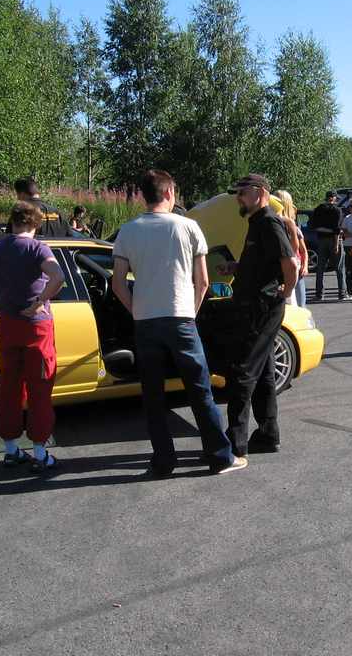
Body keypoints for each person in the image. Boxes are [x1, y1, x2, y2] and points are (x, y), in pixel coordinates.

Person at [109, 170, 245, 477]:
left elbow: (117, 284)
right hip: (181, 318)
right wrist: (191, 312)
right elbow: (204, 281)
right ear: (169, 192)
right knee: (200, 389)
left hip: (145, 322)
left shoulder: (128, 231)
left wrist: (136, 310)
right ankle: (220, 456)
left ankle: (163, 461)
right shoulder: (188, 227)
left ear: (144, 195)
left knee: (153, 395)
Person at [0, 202, 65, 472]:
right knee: (39, 388)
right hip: (35, 328)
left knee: (10, 387)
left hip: (8, 325)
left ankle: (11, 449)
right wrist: (39, 302)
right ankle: (40, 453)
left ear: (12, 221)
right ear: (36, 224)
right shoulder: (38, 248)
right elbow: (58, 277)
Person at [221, 173, 297, 457]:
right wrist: (236, 267)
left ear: (260, 192)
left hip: (262, 308)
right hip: (254, 305)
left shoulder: (268, 222)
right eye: (237, 194)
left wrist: (286, 291)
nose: (238, 198)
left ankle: (234, 441)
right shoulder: (256, 223)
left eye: (242, 193)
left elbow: (290, 263)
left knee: (242, 371)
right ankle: (267, 435)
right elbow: (263, 262)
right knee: (263, 370)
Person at [273, 190, 309, 307]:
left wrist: (305, 265)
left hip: (294, 267)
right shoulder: (272, 224)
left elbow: (301, 250)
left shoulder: (292, 226)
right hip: (282, 269)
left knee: (299, 304)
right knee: (288, 303)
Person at [311, 190, 345, 301]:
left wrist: (323, 229)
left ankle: (319, 294)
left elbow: (313, 226)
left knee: (320, 268)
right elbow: (337, 230)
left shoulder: (318, 209)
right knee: (339, 268)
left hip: (321, 240)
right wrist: (336, 245)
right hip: (334, 240)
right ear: (333, 198)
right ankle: (342, 293)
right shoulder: (337, 210)